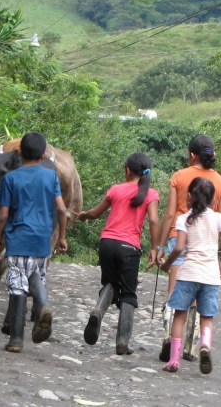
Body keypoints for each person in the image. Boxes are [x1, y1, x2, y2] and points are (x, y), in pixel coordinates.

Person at [154, 134, 221, 362]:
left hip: (178, 238)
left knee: (175, 297)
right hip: (206, 246)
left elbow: (170, 214)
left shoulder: (179, 176)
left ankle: (169, 340)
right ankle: (191, 347)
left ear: (191, 155)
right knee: (200, 302)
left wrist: (160, 246)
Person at [160, 177, 221, 374]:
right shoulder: (218, 219)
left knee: (179, 316)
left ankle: (174, 360)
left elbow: (178, 248)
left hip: (188, 274)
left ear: (190, 196)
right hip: (210, 277)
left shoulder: (184, 219)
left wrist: (167, 264)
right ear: (212, 199)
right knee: (207, 316)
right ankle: (205, 346)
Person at [0, 131, 68, 353]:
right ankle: (43, 304)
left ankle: (16, 339)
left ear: (19, 152)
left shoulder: (10, 179)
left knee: (17, 285)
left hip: (18, 238)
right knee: (36, 274)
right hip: (43, 238)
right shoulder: (51, 177)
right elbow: (61, 209)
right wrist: (61, 236)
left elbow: (3, 215)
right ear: (44, 154)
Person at [78, 152, 159, 355]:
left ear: (128, 170)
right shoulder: (151, 194)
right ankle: (122, 341)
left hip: (107, 243)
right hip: (129, 247)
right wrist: (154, 248)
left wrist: (83, 215)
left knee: (110, 283)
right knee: (128, 293)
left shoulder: (116, 189)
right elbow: (154, 220)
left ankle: (98, 310)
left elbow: (95, 213)